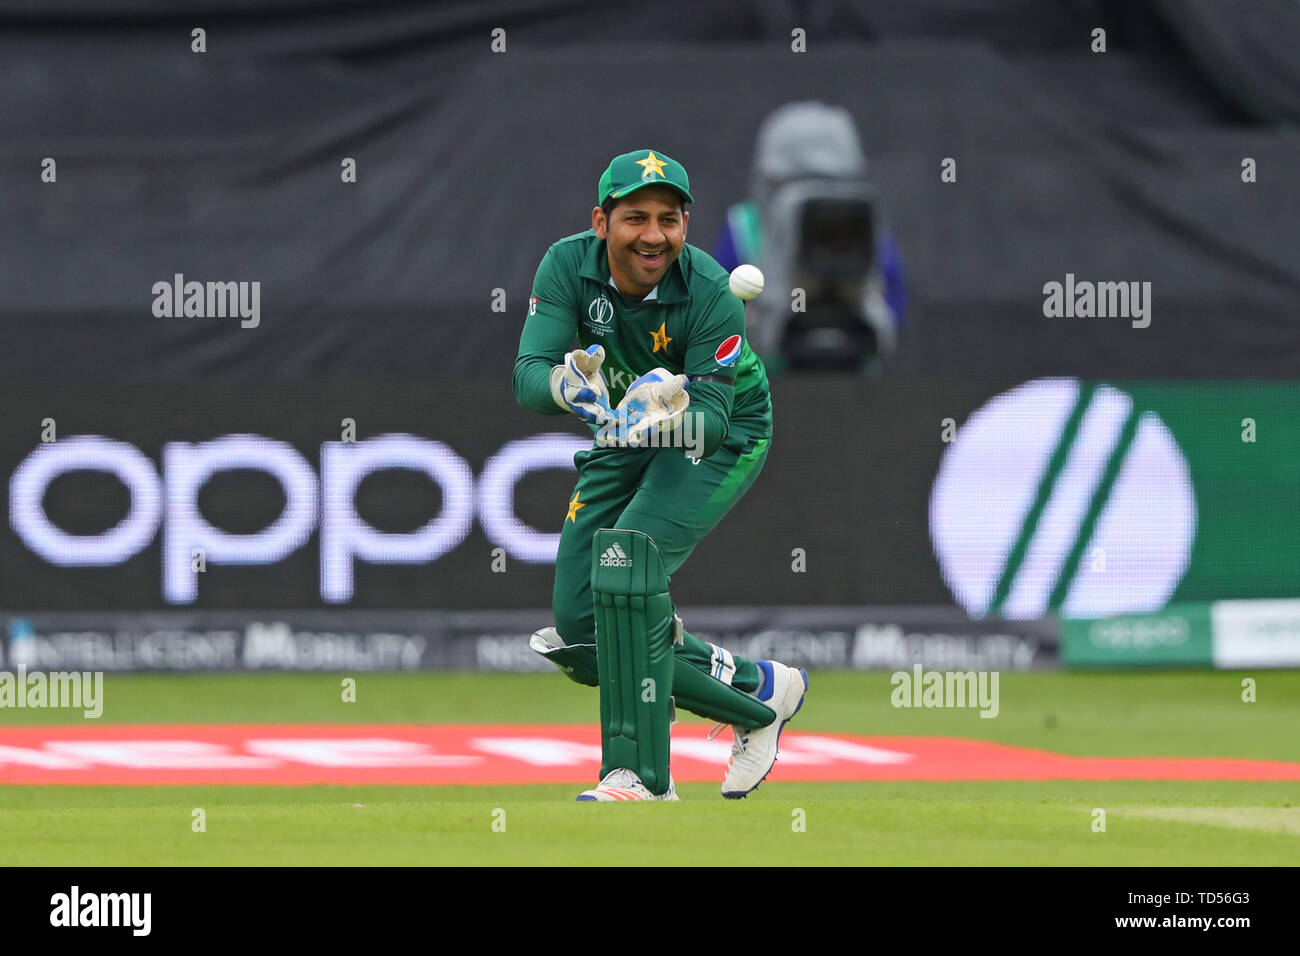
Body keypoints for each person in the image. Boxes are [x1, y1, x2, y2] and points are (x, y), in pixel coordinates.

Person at [513, 148, 809, 802]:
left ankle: (642, 777)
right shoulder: (566, 265)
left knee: (624, 579)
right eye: (636, 218)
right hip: (620, 434)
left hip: (722, 437)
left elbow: (706, 421)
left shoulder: (709, 292)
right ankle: (759, 693)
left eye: (669, 219)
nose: (654, 235)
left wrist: (657, 405)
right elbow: (528, 375)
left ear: (685, 223)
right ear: (601, 221)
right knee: (578, 627)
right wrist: (567, 386)